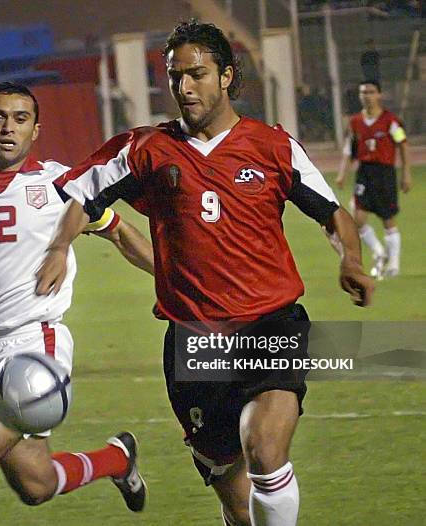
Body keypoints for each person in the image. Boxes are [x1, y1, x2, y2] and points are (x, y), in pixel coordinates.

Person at [36, 21, 375, 526]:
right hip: (194, 339)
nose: (184, 87)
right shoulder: (144, 149)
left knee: (264, 450)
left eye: (196, 74)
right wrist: (61, 245)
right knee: (236, 499)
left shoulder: (272, 146)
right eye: (175, 77)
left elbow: (331, 212)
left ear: (226, 76)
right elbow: (84, 195)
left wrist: (349, 256)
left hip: (270, 325)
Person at [0, 82, 154, 526]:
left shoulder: (61, 185)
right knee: (35, 484)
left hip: (37, 343)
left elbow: (117, 229)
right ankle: (117, 459)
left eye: (20, 119)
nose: (7, 128)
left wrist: (177, 282)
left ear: (36, 130)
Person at [336, 80, 411, 279]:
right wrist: (343, 173)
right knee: (358, 219)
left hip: (385, 172)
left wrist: (406, 173)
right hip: (364, 172)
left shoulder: (390, 121)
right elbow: (348, 148)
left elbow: (402, 144)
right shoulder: (355, 122)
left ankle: (393, 264)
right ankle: (379, 251)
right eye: (363, 92)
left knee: (388, 219)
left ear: (379, 94)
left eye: (370, 92)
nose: (366, 95)